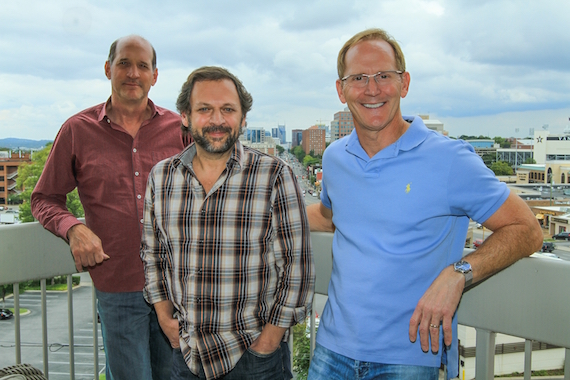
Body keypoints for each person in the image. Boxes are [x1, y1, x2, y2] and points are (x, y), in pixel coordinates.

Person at [306, 28, 543, 380]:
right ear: (341, 90)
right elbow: (333, 218)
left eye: (384, 76)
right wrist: (263, 213)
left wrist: (459, 274)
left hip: (410, 357)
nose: (372, 89)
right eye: (359, 78)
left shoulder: (449, 159)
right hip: (331, 350)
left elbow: (527, 230)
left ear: (404, 83)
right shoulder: (335, 157)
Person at [31, 35, 191, 380]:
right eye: (124, 63)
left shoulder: (179, 128)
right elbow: (43, 198)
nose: (133, 73)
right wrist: (73, 227)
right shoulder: (78, 130)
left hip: (178, 283)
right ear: (108, 69)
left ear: (155, 75)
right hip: (118, 284)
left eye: (142, 66)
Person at [140, 66, 315, 380]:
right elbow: (153, 255)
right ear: (185, 116)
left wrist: (268, 342)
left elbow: (296, 268)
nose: (217, 120)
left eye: (228, 110)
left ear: (243, 118)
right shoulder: (161, 177)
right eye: (205, 109)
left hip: (254, 358)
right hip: (187, 356)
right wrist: (165, 317)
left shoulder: (273, 175)